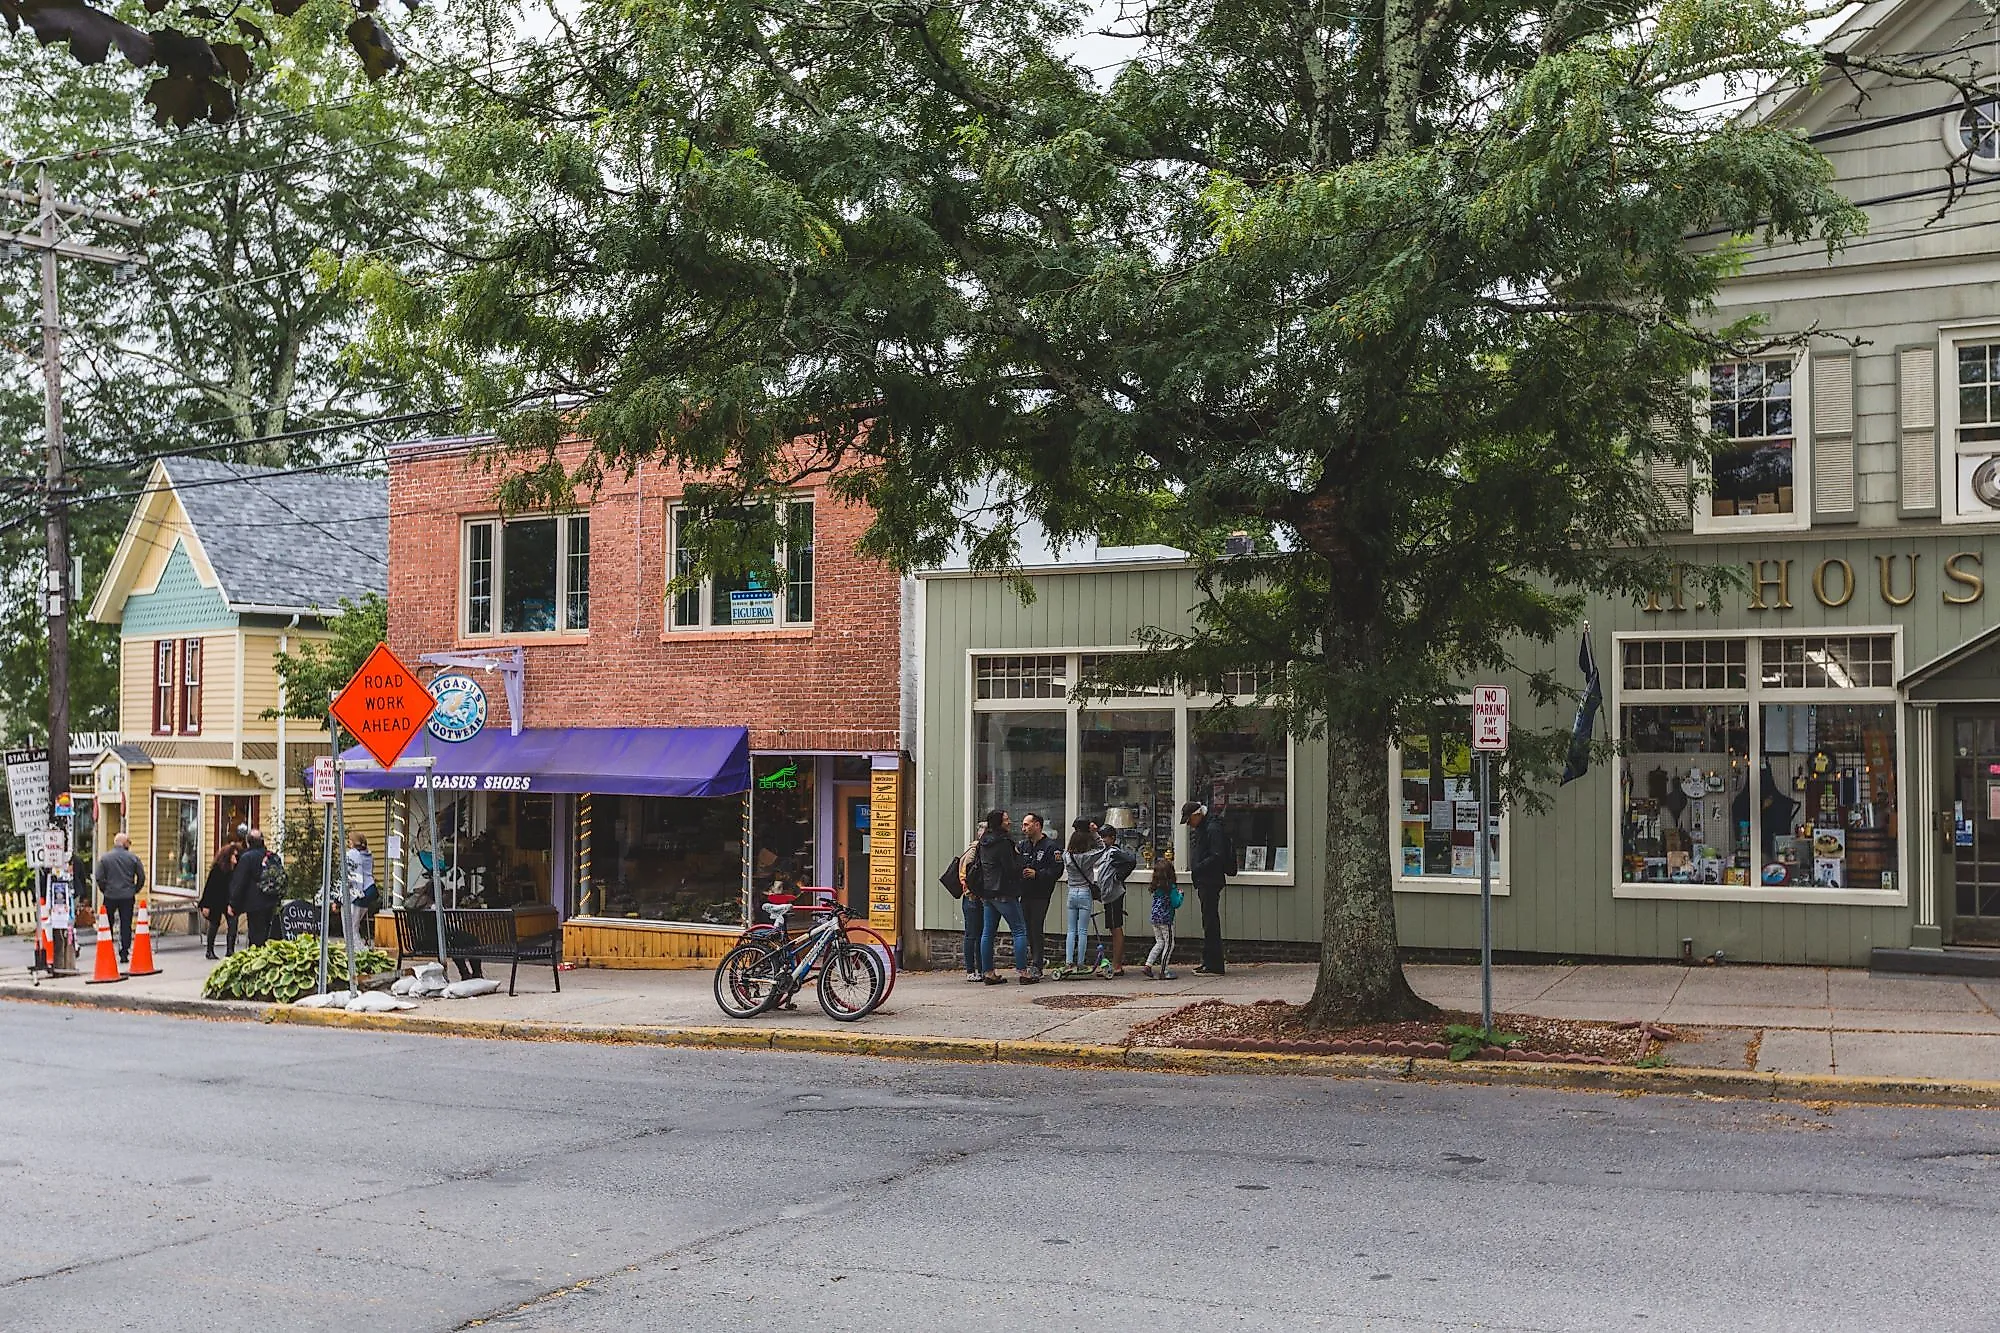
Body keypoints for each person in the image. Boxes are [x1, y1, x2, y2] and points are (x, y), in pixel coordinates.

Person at [975, 808, 1034, 984]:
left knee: (987, 933)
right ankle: (1023, 972)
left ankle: (988, 972)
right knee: (1019, 930)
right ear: (999, 823)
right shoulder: (1004, 842)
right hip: (1004, 891)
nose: (1009, 822)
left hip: (988, 892)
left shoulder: (983, 841)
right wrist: (1021, 862)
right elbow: (1010, 869)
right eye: (1006, 819)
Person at [1182, 802, 1234, 975]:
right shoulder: (1206, 827)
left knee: (1210, 922)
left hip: (1210, 880)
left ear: (1197, 815)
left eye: (1189, 820)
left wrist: (1198, 868)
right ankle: (1209, 961)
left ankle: (1214, 964)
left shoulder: (1212, 828)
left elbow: (1217, 855)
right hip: (1205, 879)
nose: (1189, 824)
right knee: (1209, 921)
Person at [1015, 811, 1061, 979]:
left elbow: (1057, 870)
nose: (1023, 828)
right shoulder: (1023, 846)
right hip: (1025, 893)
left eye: (1026, 825)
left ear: (1037, 825)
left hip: (1041, 894)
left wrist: (1038, 874)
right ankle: (1033, 959)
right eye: (1023, 825)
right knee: (1026, 928)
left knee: (1036, 927)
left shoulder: (1050, 846)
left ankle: (1037, 964)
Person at [92, 831, 146, 964]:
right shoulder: (133, 858)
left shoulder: (105, 858)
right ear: (124, 843)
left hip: (110, 895)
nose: (130, 845)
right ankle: (124, 952)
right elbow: (141, 876)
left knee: (107, 923)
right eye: (129, 842)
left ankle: (107, 949)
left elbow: (99, 877)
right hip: (127, 896)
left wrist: (105, 889)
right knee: (126, 924)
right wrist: (134, 889)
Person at [1095, 824, 1139, 976]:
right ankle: (1115, 964)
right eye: (1100, 837)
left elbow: (1131, 861)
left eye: (1104, 837)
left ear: (1112, 838)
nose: (1102, 840)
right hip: (1108, 895)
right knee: (1113, 927)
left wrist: (1119, 876)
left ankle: (1117, 965)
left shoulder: (1114, 852)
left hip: (1114, 894)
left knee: (1116, 928)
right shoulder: (1106, 852)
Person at [1062, 820, 1103, 974]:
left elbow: (1064, 852)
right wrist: (1094, 833)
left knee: (1071, 930)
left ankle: (1068, 962)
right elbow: (1102, 848)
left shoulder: (1067, 856)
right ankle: (1080, 963)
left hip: (1072, 892)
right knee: (1082, 930)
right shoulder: (1088, 857)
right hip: (1085, 892)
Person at [228, 828, 277, 947]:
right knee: (268, 935)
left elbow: (240, 882)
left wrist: (233, 904)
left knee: (256, 938)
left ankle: (257, 956)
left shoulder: (247, 858)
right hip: (271, 901)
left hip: (254, 904)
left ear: (248, 842)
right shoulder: (272, 857)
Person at [200, 835, 243, 959]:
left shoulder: (237, 870)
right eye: (234, 856)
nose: (236, 858)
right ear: (228, 856)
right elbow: (209, 887)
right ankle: (209, 950)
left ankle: (230, 950)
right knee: (214, 923)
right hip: (216, 900)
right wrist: (205, 905)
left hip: (229, 900)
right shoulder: (218, 869)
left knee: (233, 923)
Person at [958, 820, 987, 981]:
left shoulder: (982, 849)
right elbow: (965, 874)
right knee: (972, 934)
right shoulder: (973, 850)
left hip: (980, 897)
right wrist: (971, 891)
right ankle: (971, 970)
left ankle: (982, 969)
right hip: (972, 898)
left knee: (981, 934)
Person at [1143, 853, 1179, 980]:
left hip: (1155, 919)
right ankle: (1164, 970)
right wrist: (1181, 895)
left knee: (1159, 942)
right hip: (1166, 920)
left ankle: (1148, 965)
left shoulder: (1156, 888)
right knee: (1169, 944)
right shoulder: (1171, 888)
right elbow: (1176, 903)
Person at [345, 833, 381, 931]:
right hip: (370, 888)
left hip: (361, 891)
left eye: (349, 841)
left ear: (353, 843)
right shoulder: (368, 855)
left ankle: (356, 941)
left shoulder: (353, 855)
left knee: (351, 928)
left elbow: (349, 875)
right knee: (355, 925)